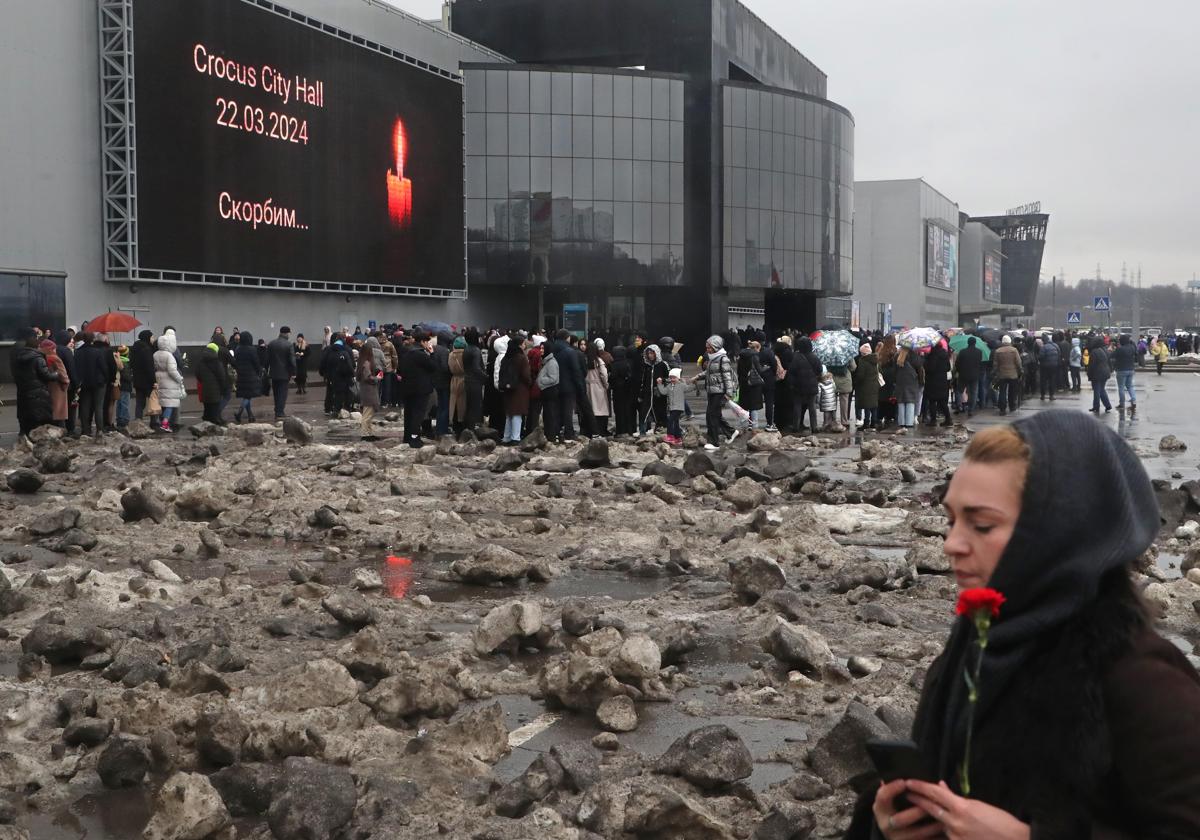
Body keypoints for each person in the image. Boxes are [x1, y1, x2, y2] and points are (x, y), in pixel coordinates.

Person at [848, 412, 1200, 839]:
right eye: (951, 520)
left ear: (1058, 534)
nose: (952, 544)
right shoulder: (972, 651)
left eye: (982, 525)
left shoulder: (1142, 681)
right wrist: (887, 824)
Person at [11, 329, 59, 437]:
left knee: (27, 413)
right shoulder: (38, 358)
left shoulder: (19, 353)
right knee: (40, 416)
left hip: (24, 387)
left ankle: (25, 433)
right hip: (38, 390)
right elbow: (46, 375)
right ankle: (37, 439)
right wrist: (56, 374)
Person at [692, 335, 737, 451]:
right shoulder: (713, 358)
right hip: (712, 390)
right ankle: (731, 432)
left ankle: (714, 442)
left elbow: (727, 377)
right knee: (713, 415)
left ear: (716, 347)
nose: (707, 350)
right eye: (707, 347)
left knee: (712, 415)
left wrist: (728, 393)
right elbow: (708, 372)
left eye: (709, 347)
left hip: (719, 391)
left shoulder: (723, 359)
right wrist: (697, 376)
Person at [398, 332, 436, 448]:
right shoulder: (421, 354)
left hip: (407, 387)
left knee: (409, 413)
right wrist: (432, 354)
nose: (428, 344)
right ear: (422, 342)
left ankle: (407, 437)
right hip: (421, 389)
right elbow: (433, 367)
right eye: (427, 342)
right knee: (418, 413)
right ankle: (415, 438)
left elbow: (400, 369)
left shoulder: (406, 351)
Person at [72, 332, 110, 438]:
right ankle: (99, 430)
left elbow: (76, 368)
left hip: (84, 383)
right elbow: (103, 367)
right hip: (98, 382)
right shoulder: (97, 352)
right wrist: (106, 378)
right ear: (93, 340)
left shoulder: (78, 352)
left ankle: (85, 430)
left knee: (85, 406)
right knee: (98, 407)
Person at [499, 333, 532, 444]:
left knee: (509, 415)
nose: (524, 346)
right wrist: (530, 383)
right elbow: (526, 375)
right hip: (519, 390)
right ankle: (515, 438)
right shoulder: (521, 358)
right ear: (519, 345)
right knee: (517, 415)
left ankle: (506, 437)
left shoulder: (506, 357)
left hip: (507, 389)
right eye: (523, 344)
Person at [788, 337, 822, 435]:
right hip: (812, 385)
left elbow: (791, 372)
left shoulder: (796, 357)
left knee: (797, 406)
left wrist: (791, 384)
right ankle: (814, 427)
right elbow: (819, 370)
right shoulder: (814, 357)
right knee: (812, 406)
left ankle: (796, 426)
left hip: (799, 386)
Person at [153, 330, 185, 432]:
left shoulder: (156, 354)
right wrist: (179, 378)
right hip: (169, 381)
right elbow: (172, 370)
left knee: (163, 402)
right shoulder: (169, 355)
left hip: (159, 378)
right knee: (170, 404)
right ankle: (165, 423)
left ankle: (162, 421)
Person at [232, 330, 262, 423]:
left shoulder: (238, 348)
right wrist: (259, 372)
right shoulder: (252, 349)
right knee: (248, 396)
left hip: (241, 374)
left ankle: (250, 416)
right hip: (251, 375)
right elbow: (256, 362)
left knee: (246, 394)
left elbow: (235, 361)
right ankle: (239, 413)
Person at [196, 342, 229, 425]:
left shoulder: (201, 362)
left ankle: (205, 425)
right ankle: (214, 426)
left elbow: (197, 374)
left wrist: (203, 381)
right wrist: (223, 387)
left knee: (207, 408)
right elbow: (221, 377)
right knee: (214, 408)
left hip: (205, 389)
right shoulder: (217, 362)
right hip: (216, 390)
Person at [267, 327, 296, 419]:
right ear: (287, 333)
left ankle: (277, 410)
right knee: (282, 393)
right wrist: (294, 372)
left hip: (274, 372)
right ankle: (280, 412)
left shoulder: (271, 343)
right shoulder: (289, 345)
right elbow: (292, 360)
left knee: (276, 393)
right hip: (285, 373)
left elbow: (267, 359)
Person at [40, 339, 70, 429]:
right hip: (57, 388)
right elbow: (63, 374)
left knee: (51, 414)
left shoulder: (41, 358)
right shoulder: (55, 358)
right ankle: (61, 435)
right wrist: (65, 384)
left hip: (46, 388)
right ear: (51, 349)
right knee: (59, 414)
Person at [358, 336, 383, 441]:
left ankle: (369, 432)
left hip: (366, 390)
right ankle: (365, 434)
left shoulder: (362, 362)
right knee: (368, 414)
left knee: (368, 413)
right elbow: (367, 377)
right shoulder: (366, 363)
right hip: (369, 391)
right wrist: (377, 378)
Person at [923, 342, 953, 427]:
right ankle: (948, 419)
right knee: (943, 401)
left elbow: (931, 368)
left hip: (933, 381)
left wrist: (926, 362)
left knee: (932, 401)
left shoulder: (932, 355)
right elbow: (948, 368)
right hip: (943, 380)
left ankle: (933, 420)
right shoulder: (945, 354)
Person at [991, 335, 1022, 417]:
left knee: (1002, 392)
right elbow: (1018, 362)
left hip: (1002, 375)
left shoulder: (998, 351)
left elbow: (995, 364)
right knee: (1012, 392)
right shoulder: (1014, 350)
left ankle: (1002, 409)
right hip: (1013, 374)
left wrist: (994, 373)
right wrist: (1021, 371)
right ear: (1010, 341)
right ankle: (1012, 406)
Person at [585, 342, 611, 437]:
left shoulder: (585, 360)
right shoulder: (599, 361)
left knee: (591, 408)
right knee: (600, 409)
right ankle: (600, 430)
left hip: (588, 386)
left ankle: (590, 431)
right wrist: (606, 385)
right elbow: (604, 375)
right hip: (598, 386)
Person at [737, 341, 765, 430]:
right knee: (753, 406)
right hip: (753, 384)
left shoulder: (741, 357)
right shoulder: (754, 357)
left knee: (744, 406)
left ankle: (743, 425)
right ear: (755, 348)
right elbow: (759, 370)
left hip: (743, 383)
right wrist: (765, 368)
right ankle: (754, 426)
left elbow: (738, 371)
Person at [894, 347, 923, 433]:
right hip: (912, 381)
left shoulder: (897, 356)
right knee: (910, 401)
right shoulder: (914, 356)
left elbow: (894, 370)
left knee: (901, 401)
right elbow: (919, 368)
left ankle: (902, 422)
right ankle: (909, 422)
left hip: (900, 381)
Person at [852, 344, 879, 429]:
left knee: (867, 405)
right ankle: (873, 422)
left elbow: (861, 375)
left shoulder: (863, 361)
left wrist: (856, 382)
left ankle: (866, 423)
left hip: (865, 386)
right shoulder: (875, 359)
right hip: (874, 385)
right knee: (873, 405)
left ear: (863, 353)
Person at [658, 367, 686, 445]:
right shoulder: (669, 386)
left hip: (678, 407)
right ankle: (678, 438)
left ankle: (670, 436)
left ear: (678, 378)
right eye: (671, 378)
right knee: (676, 422)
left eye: (674, 378)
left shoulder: (681, 385)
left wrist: (695, 384)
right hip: (672, 408)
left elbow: (689, 388)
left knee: (670, 421)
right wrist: (659, 384)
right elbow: (663, 392)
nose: (672, 379)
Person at [955, 337, 983, 417]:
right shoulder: (979, 352)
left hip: (963, 375)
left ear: (968, 342)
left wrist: (960, 370)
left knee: (959, 391)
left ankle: (959, 405)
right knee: (973, 393)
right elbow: (979, 363)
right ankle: (971, 409)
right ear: (975, 343)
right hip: (975, 375)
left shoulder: (962, 351)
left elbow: (957, 363)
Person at [433, 331, 453, 436]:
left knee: (440, 406)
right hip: (445, 381)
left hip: (436, 381)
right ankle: (442, 430)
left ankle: (438, 428)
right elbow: (445, 367)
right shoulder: (445, 351)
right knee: (445, 406)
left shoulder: (434, 348)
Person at [1111, 334, 1137, 414]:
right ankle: (1133, 400)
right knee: (1130, 386)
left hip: (1121, 370)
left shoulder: (1120, 349)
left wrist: (1113, 349)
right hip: (1131, 369)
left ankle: (1122, 404)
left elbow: (1112, 356)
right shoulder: (1132, 348)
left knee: (1121, 387)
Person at [1087, 336, 1113, 414]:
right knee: (1102, 389)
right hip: (1105, 372)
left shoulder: (1094, 352)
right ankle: (1107, 405)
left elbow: (1091, 365)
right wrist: (1110, 370)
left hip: (1097, 373)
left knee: (1097, 390)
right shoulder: (1105, 350)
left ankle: (1096, 407)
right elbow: (1109, 362)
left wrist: (1089, 375)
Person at [448, 337, 468, 434]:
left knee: (454, 402)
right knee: (463, 404)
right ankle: (462, 426)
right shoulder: (466, 354)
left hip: (454, 379)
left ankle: (454, 424)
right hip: (464, 380)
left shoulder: (451, 354)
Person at [1038, 334, 1060, 401]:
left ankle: (1043, 395)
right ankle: (1051, 396)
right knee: (1052, 381)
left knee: (1043, 381)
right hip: (1054, 366)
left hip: (1044, 367)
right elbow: (1059, 355)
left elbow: (1040, 357)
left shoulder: (1043, 347)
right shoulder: (1056, 346)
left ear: (1044, 340)